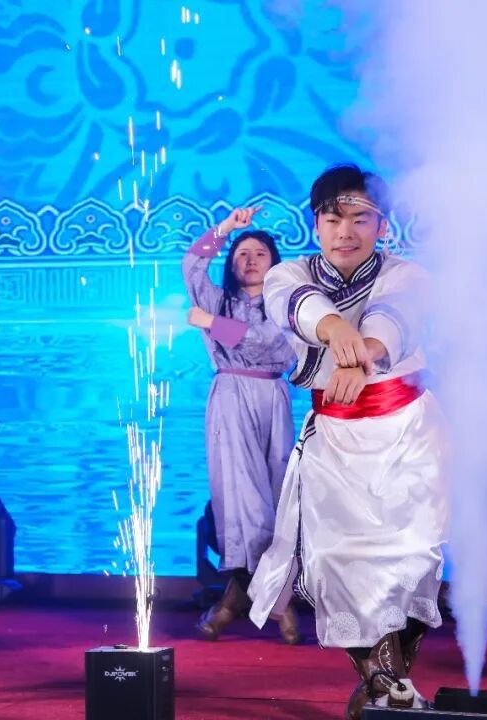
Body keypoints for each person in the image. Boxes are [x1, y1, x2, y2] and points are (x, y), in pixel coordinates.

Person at [245, 165, 447, 719]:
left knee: (413, 559)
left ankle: (388, 684)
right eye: (333, 219)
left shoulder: (408, 275)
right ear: (316, 224)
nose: (345, 231)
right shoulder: (288, 273)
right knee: (338, 560)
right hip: (334, 437)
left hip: (407, 432)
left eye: (360, 218)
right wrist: (339, 335)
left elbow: (391, 318)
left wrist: (366, 357)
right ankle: (390, 688)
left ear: (382, 225)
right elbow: (304, 309)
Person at [182, 206, 299, 644]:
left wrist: (212, 324)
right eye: (242, 254)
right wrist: (227, 228)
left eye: (260, 253)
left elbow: (269, 346)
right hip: (231, 394)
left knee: (277, 497)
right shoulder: (219, 299)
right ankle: (279, 604)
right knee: (245, 499)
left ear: (274, 263)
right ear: (231, 264)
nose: (250, 260)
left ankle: (235, 600)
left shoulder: (287, 304)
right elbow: (191, 265)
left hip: (274, 396)